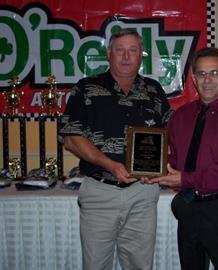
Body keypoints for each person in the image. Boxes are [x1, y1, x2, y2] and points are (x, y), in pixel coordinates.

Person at [59, 29, 172, 270]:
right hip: (100, 192)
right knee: (96, 266)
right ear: (109, 53)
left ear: (140, 56)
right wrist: (111, 165)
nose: (126, 56)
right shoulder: (87, 88)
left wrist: (160, 168)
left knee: (140, 266)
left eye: (132, 50)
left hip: (142, 192)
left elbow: (168, 136)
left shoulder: (154, 91)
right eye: (119, 49)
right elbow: (71, 138)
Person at [147, 47, 218, 270]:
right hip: (188, 208)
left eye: (214, 73)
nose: (207, 80)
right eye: (201, 74)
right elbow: (173, 158)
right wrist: (150, 170)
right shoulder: (181, 116)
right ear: (194, 79)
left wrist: (185, 179)